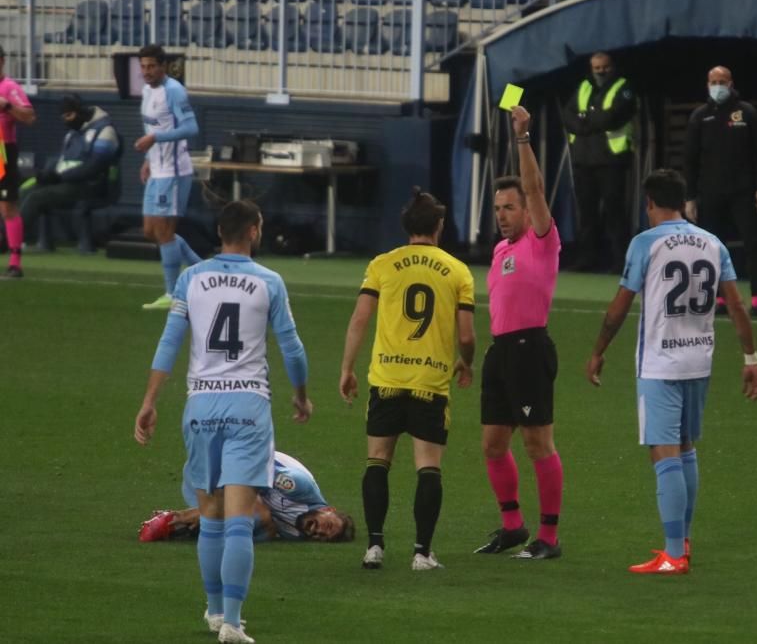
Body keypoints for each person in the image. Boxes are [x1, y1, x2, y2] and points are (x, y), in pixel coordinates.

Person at [134, 199, 312, 644]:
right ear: (254, 230)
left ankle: (213, 611)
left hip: (200, 408)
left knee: (210, 518)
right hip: (248, 408)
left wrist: (150, 401)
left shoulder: (190, 279)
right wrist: (301, 395)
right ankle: (232, 622)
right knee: (238, 522)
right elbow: (291, 348)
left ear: (219, 232)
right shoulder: (269, 281)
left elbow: (168, 342)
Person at [586, 169, 757, 575]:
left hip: (660, 362)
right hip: (699, 360)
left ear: (649, 202)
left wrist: (598, 350)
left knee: (663, 450)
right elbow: (736, 305)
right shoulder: (712, 243)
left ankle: (673, 555)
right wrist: (751, 359)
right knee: (685, 447)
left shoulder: (646, 243)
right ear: (682, 202)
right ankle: (681, 542)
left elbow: (619, 307)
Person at [339, 189, 475, 572]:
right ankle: (421, 552)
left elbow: (359, 319)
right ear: (439, 226)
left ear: (406, 227)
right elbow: (466, 336)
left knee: (377, 460)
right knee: (428, 466)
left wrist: (347, 368)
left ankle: (375, 547)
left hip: (386, 378)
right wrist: (467, 363)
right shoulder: (457, 271)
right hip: (429, 382)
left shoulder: (383, 264)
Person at [475, 105, 564, 560]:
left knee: (536, 442)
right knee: (492, 444)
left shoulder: (542, 240)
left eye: (510, 207)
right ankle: (512, 526)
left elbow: (533, 186)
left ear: (528, 211)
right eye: (497, 208)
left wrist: (522, 137)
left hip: (531, 349)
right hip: (501, 352)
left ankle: (548, 537)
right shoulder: (499, 250)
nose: (503, 214)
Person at [683, 65, 757, 318]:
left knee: (752, 244)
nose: (718, 86)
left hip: (743, 192)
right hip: (711, 192)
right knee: (713, 248)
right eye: (713, 81)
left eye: (722, 81)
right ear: (707, 85)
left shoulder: (746, 113)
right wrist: (690, 197)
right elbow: (690, 160)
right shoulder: (699, 117)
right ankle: (718, 300)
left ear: (731, 84)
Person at [139, 451, 354, 544]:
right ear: (329, 510)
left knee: (265, 530)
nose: (317, 531)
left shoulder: (296, 534)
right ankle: (177, 518)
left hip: (219, 490)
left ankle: (194, 531)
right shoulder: (300, 486)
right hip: (213, 466)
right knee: (260, 513)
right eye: (327, 526)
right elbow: (251, 468)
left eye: (322, 537)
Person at [136, 44, 203, 310]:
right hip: (157, 169)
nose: (147, 71)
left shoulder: (174, 91)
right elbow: (153, 125)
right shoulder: (146, 91)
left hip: (174, 172)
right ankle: (201, 270)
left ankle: (173, 294)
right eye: (143, 66)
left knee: (165, 232)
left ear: (163, 66)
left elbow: (191, 127)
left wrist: (156, 138)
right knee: (151, 231)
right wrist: (147, 159)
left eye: (151, 66)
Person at [561, 51, 636, 272]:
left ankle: (621, 261)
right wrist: (589, 120)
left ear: (611, 66)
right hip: (583, 160)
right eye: (597, 68)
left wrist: (586, 119)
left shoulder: (623, 87)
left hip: (611, 160)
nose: (601, 72)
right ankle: (587, 259)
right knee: (587, 213)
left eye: (604, 67)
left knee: (615, 213)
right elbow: (568, 115)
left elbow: (613, 117)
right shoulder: (584, 86)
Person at [20, 94, 121, 252]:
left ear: (80, 111)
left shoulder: (105, 131)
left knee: (36, 198)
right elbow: (63, 162)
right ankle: (10, 235)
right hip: (69, 184)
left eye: (69, 115)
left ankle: (7, 240)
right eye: (63, 116)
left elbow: (94, 167)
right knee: (24, 191)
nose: (66, 120)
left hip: (92, 186)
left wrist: (59, 177)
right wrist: (48, 175)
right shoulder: (72, 134)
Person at [0, 43, 37, 279]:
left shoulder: (9, 87)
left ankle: (15, 261)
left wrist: (6, 106)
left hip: (2, 150)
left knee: (8, 206)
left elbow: (30, 117)